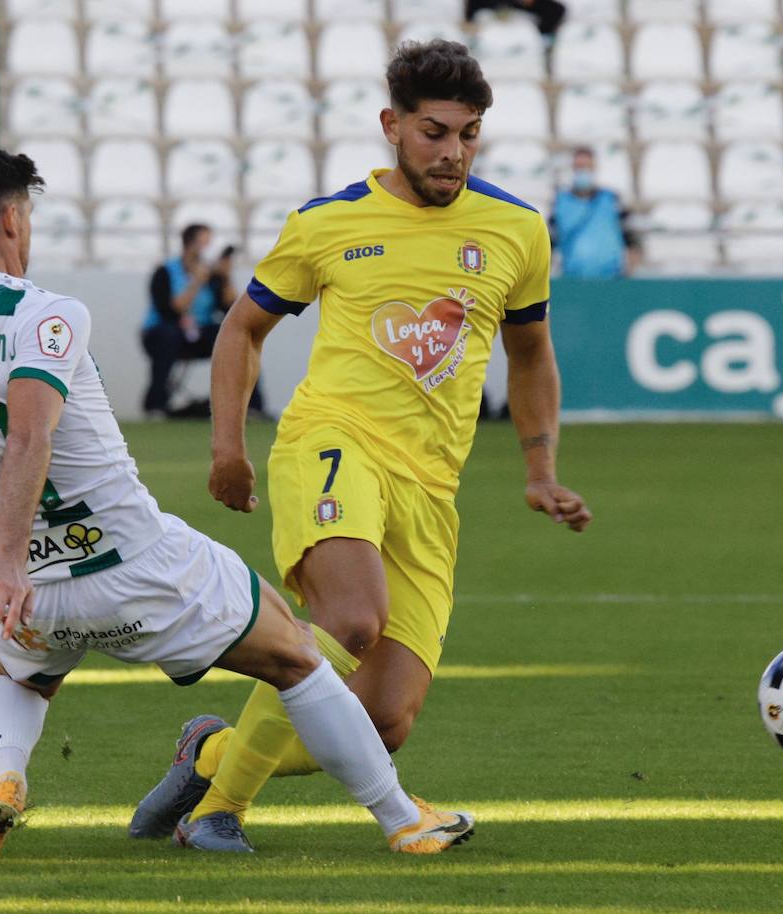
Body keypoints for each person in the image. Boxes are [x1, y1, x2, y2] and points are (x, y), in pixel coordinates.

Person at [0, 144, 474, 861]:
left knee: (18, 675)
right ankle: (402, 818)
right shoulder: (47, 316)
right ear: (12, 220)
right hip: (135, 561)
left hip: (34, 589)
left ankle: (4, 780)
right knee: (295, 654)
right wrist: (5, 558)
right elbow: (29, 435)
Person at [130, 39, 591, 852]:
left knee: (382, 722)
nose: (452, 153)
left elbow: (529, 354)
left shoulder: (517, 229)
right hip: (332, 442)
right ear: (392, 126)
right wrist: (226, 448)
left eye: (468, 135)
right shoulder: (328, 222)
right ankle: (218, 812)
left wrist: (540, 470)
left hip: (431, 485)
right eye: (435, 132)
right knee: (351, 619)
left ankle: (209, 752)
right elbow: (242, 330)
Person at [141, 225, 259, 417]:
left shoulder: (213, 276)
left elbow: (231, 308)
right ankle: (156, 404)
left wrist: (226, 277)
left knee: (236, 337)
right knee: (168, 336)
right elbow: (170, 310)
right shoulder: (165, 272)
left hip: (201, 333)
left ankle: (252, 405)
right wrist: (196, 282)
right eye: (205, 242)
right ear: (190, 244)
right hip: (164, 333)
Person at [550, 147, 641, 279]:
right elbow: (549, 242)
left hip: (611, 280)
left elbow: (632, 239)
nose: (583, 171)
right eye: (579, 167)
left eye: (587, 167)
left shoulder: (612, 200)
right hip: (572, 280)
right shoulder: (560, 202)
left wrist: (629, 272)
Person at [465, 0, 567, 49]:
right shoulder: (479, 3)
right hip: (489, 42)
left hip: (525, 43)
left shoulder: (551, 8)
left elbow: (557, 11)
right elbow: (470, 17)